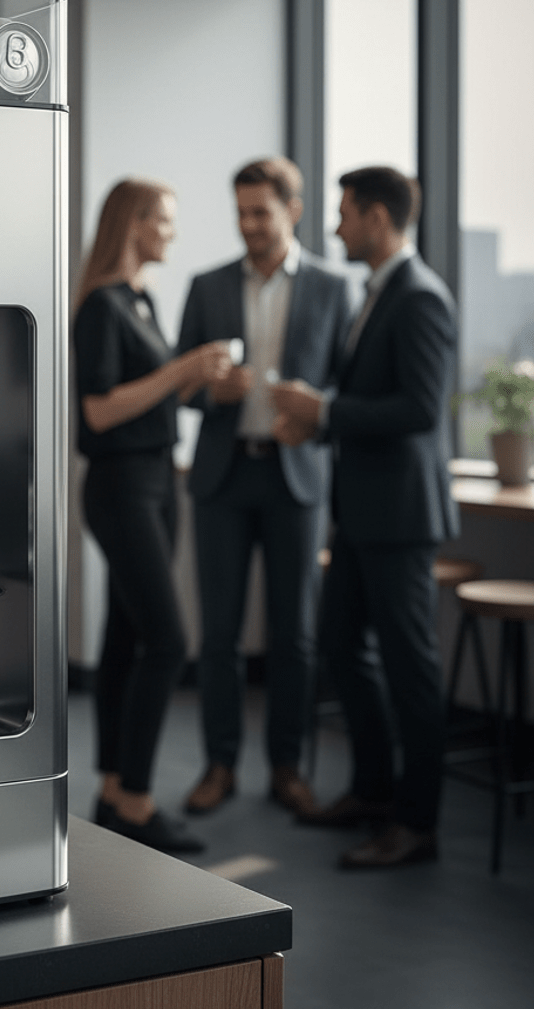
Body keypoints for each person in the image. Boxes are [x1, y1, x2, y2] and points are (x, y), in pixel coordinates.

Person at [272, 166, 457, 868]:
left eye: (344, 213)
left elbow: (421, 409)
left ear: (377, 216)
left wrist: (324, 411)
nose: (337, 226)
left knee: (411, 668)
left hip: (402, 517)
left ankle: (417, 823)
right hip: (360, 513)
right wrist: (315, 423)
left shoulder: (419, 297)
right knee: (342, 648)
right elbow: (371, 402)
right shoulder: (376, 293)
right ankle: (374, 793)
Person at [176, 157, 353, 818]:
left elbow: (347, 390)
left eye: (261, 213)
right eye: (241, 213)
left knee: (295, 634)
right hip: (223, 474)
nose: (249, 226)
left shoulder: (335, 289)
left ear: (293, 211)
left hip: (296, 478)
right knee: (217, 634)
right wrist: (208, 390)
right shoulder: (208, 284)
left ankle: (288, 767)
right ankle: (219, 765)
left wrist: (315, 416)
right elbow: (183, 382)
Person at [74, 178, 233, 854]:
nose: (172, 230)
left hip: (156, 480)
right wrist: (181, 370)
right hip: (121, 487)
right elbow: (100, 411)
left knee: (123, 638)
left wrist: (196, 379)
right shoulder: (102, 307)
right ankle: (138, 800)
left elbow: (149, 399)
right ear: (132, 224)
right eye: (163, 219)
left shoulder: (141, 300)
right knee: (168, 641)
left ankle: (112, 791)